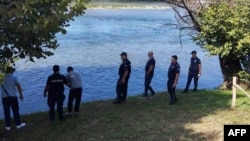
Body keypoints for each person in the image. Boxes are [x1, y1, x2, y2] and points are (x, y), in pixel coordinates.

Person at [1, 66, 26, 131]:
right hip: (13, 97)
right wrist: (21, 94)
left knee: (6, 112)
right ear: (10, 71)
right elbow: (18, 86)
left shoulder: (1, 78)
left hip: (4, 98)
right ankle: (18, 124)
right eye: (12, 71)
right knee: (15, 111)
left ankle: (8, 126)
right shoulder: (14, 77)